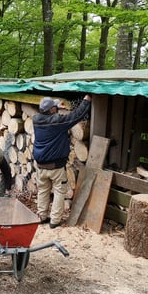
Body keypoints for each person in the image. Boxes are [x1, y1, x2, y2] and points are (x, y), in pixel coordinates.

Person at [32, 95, 92, 228]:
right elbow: (76, 115)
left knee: (43, 190)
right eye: (54, 107)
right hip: (56, 167)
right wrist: (86, 101)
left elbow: (48, 116)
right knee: (59, 191)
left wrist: (56, 108)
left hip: (40, 166)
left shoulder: (36, 119)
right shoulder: (57, 122)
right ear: (51, 110)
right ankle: (55, 220)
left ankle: (41, 216)